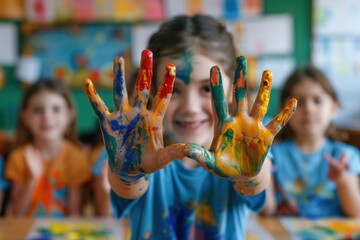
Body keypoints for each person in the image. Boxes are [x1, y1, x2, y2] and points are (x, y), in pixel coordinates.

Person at [83, 14, 296, 239]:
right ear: (152, 91)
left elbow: (260, 197)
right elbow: (126, 190)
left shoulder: (247, 152)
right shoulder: (137, 152)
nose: (191, 108)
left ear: (233, 90)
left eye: (207, 89)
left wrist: (248, 175)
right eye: (173, 90)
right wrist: (128, 174)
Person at [261, 66, 360, 218]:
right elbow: (268, 210)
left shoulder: (344, 156)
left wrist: (343, 181)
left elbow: (356, 213)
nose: (308, 108)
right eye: (298, 102)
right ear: (283, 111)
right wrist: (261, 162)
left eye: (317, 100)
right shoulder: (273, 155)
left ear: (334, 108)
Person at [5, 79, 90, 217]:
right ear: (25, 116)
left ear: (69, 115)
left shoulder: (76, 157)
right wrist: (32, 179)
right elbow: (17, 213)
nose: (47, 116)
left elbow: (74, 213)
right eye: (38, 110)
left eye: (56, 109)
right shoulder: (18, 157)